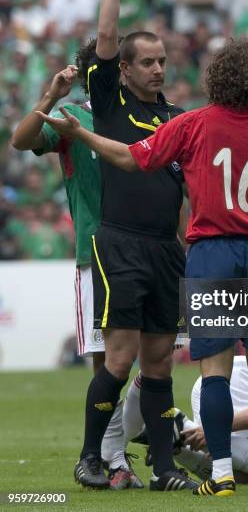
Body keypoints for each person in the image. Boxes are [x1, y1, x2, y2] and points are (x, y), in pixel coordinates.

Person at [37, 37, 248, 497]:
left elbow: (131, 157)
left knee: (215, 369)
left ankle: (220, 472)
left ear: (216, 78)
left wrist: (80, 133)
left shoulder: (194, 123)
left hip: (213, 252)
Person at [56, 0, 195, 492]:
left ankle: (163, 469)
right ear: (126, 70)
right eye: (147, 62)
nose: (158, 70)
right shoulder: (110, 104)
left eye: (162, 61)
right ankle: (92, 457)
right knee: (118, 357)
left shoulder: (179, 119)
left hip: (167, 249)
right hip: (120, 243)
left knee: (159, 363)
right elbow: (107, 34)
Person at [11, 56, 143, 490]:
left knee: (157, 361)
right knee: (109, 363)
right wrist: (51, 96)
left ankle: (156, 448)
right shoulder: (74, 117)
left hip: (152, 251)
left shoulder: (147, 114)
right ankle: (113, 458)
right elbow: (20, 139)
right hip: (97, 252)